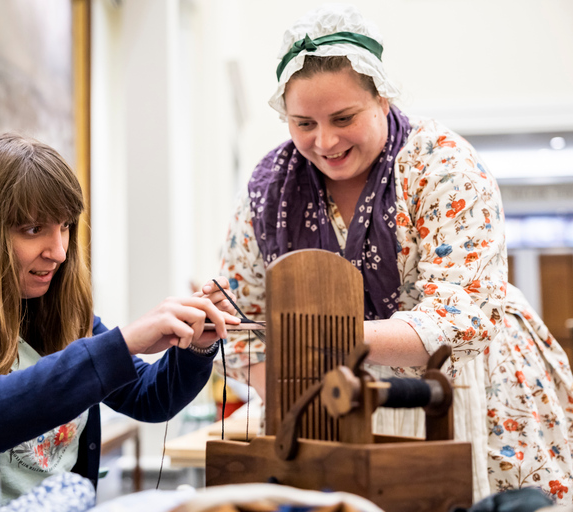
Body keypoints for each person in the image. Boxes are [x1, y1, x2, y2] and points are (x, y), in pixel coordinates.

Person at [218, 3, 573, 504]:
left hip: (460, 386)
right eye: (303, 123)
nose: (324, 141)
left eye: (344, 117)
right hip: (331, 404)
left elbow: (459, 319)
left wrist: (321, 343)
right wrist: (292, 402)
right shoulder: (267, 190)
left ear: (382, 100)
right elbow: (239, 319)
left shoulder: (443, 166)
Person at [0, 133, 240, 503]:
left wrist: (197, 347)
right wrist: (121, 344)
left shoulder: (55, 309)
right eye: (34, 230)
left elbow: (150, 398)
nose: (59, 252)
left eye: (64, 226)